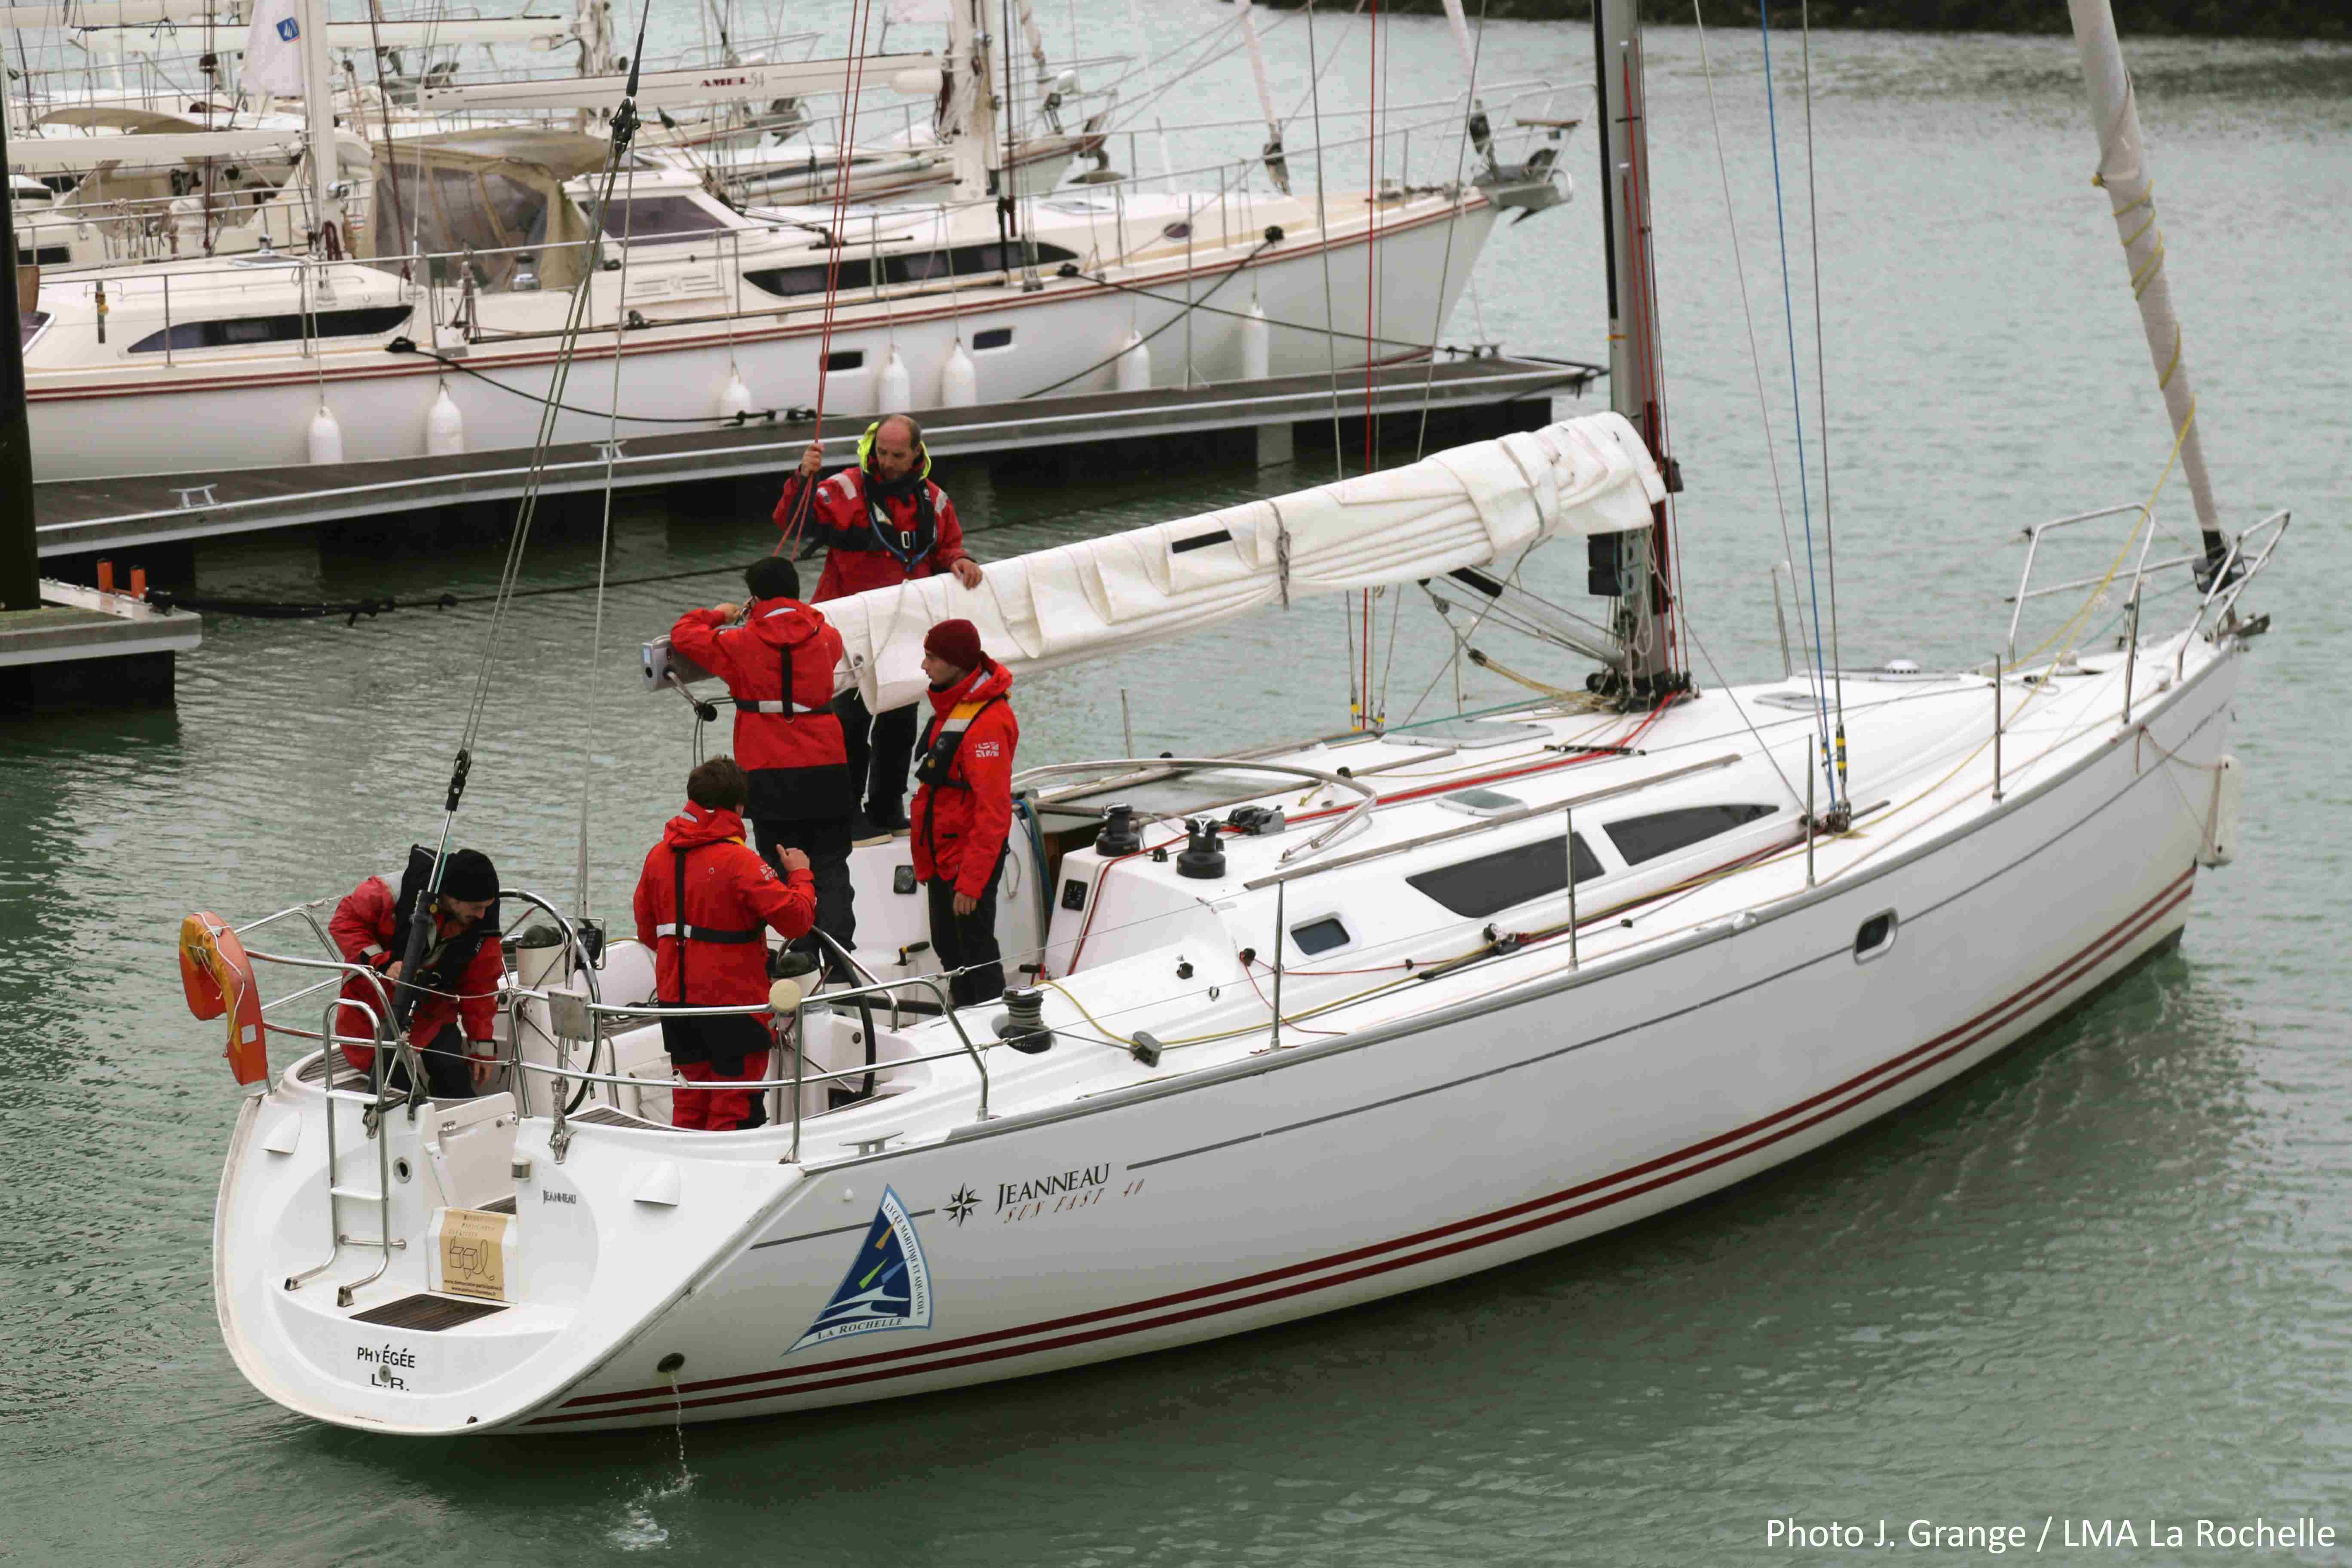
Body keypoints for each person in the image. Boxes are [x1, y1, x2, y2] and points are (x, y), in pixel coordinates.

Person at [773, 413, 985, 841]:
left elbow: (948, 546)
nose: (887, 462)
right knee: (849, 724)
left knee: (899, 724)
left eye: (897, 455)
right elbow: (790, 521)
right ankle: (846, 813)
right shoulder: (846, 488)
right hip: (848, 631)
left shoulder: (935, 500)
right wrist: (803, 476)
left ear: (916, 455)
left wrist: (961, 561)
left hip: (905, 631)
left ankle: (887, 808)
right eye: (881, 453)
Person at [667, 557, 855, 962]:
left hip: (769, 773)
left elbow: (683, 635)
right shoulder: (827, 636)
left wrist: (721, 614)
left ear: (756, 596)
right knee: (832, 865)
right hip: (828, 767)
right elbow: (826, 636)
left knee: (780, 867)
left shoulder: (737, 645)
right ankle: (840, 961)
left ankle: (799, 959)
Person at [633, 756, 818, 1131]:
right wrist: (801, 874)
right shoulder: (740, 861)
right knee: (733, 1108)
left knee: (689, 1103)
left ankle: (688, 1175)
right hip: (733, 1006)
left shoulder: (658, 857)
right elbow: (797, 920)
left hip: (677, 1006)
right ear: (738, 807)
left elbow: (647, 932)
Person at [329, 847, 503, 1101]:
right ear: (452, 897)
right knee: (403, 1092)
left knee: (455, 1081)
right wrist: (383, 963)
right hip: (373, 1014)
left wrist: (483, 1050)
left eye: (487, 906)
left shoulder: (480, 926)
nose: (483, 915)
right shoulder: (388, 893)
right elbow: (344, 922)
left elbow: (480, 991)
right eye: (476, 907)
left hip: (432, 1013)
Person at [908, 618, 1019, 1009]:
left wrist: (971, 883)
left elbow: (994, 812)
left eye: (932, 657)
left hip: (967, 860)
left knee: (975, 949)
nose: (924, 666)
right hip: (944, 856)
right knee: (948, 947)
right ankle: (963, 1009)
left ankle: (990, 1023)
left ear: (956, 662)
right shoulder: (953, 703)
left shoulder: (986, 722)